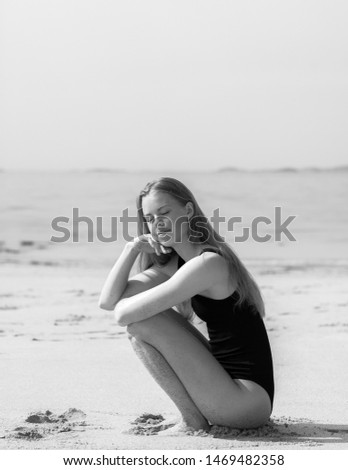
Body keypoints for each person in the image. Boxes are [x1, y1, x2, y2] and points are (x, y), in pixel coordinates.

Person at [99, 177, 274, 434]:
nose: (157, 223)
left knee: (140, 321)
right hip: (232, 391)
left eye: (165, 212)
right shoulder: (178, 264)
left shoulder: (208, 263)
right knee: (140, 324)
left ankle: (192, 421)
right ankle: (193, 418)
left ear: (189, 211)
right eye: (149, 218)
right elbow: (108, 301)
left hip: (244, 402)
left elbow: (124, 313)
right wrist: (132, 248)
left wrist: (130, 306)